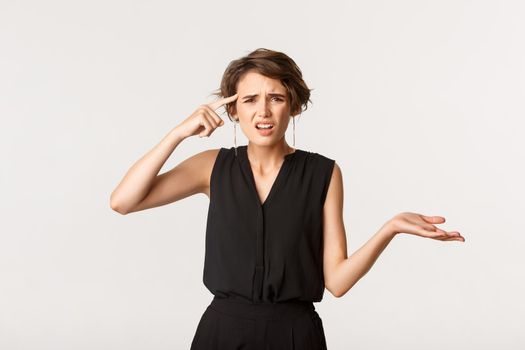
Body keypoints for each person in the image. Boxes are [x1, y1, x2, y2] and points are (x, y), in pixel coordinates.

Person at [110, 48, 465, 350]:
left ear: (293, 106)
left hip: (296, 335)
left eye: (276, 98)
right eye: (249, 100)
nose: (263, 112)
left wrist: (390, 229)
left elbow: (337, 282)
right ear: (233, 111)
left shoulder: (323, 173)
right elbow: (123, 201)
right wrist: (178, 133)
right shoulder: (212, 167)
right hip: (222, 333)